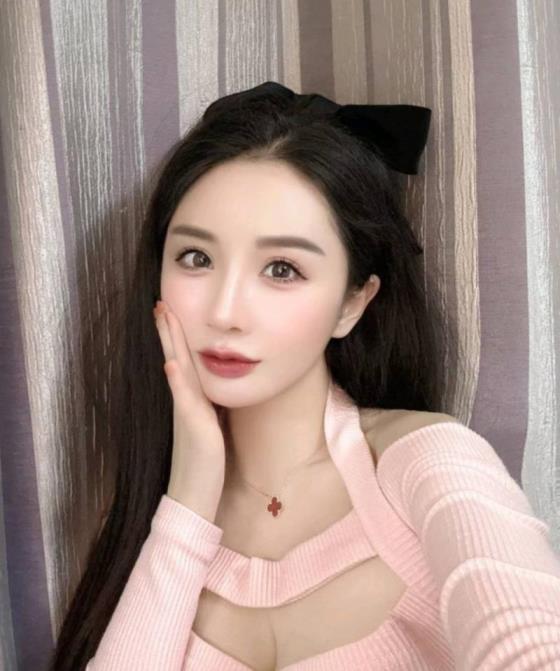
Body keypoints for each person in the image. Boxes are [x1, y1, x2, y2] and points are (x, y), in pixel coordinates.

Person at [49, 82, 560, 670]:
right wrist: (188, 501)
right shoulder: (140, 513)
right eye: (196, 258)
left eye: (282, 269)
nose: (225, 312)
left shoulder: (429, 462)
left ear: (353, 303)